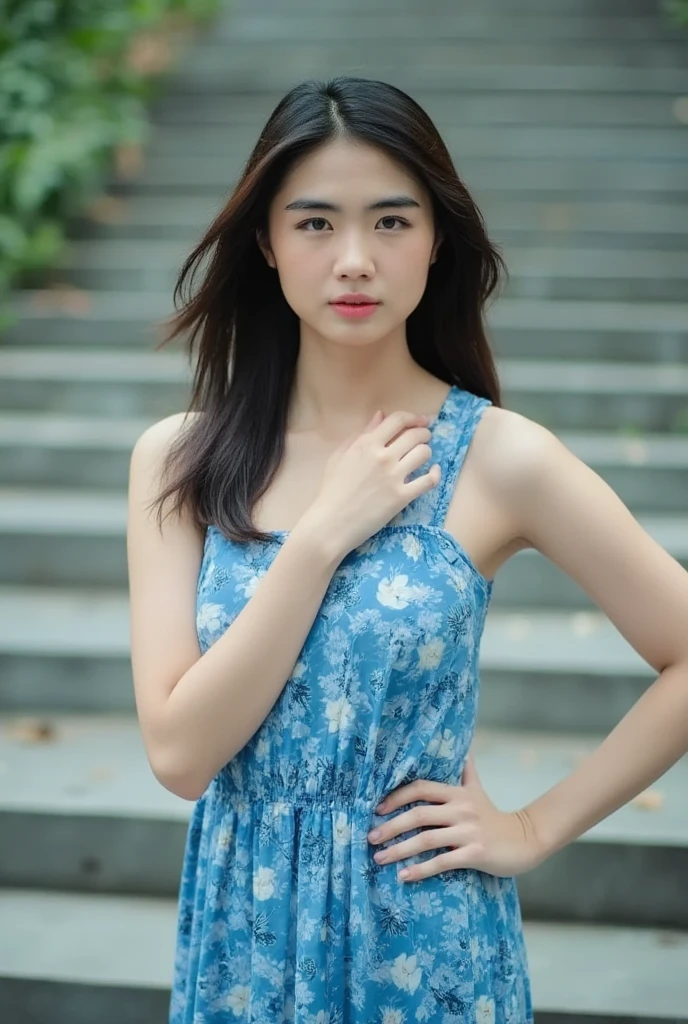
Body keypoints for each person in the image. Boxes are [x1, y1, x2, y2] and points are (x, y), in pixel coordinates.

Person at [126, 75, 688, 1023]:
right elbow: (181, 754)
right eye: (315, 224)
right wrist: (319, 539)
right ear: (265, 242)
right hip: (243, 940)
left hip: (420, 935)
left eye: (392, 222)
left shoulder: (500, 458)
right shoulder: (178, 460)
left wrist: (534, 826)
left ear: (436, 241)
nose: (354, 259)